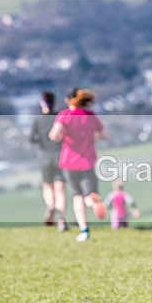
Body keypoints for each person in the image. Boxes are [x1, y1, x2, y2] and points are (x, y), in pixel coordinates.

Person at [49, 87, 109, 242]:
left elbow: (54, 136)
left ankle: (84, 229)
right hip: (89, 161)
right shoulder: (90, 116)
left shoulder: (64, 116)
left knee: (77, 196)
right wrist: (90, 136)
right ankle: (94, 204)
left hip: (69, 162)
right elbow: (104, 136)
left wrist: (64, 135)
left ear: (68, 101)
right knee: (89, 194)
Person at [28, 91, 67, 231]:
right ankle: (62, 219)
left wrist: (42, 140)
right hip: (60, 156)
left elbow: (31, 138)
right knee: (60, 189)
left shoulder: (37, 120)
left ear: (41, 103)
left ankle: (51, 206)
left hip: (44, 157)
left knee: (47, 186)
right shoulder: (60, 117)